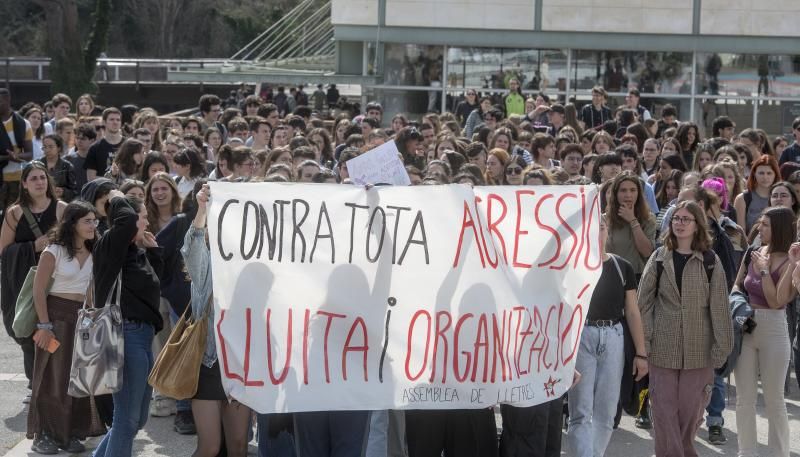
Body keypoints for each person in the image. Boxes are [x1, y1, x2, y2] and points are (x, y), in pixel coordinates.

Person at [637, 200, 733, 457]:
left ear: (697, 225)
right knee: (664, 411)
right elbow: (643, 303)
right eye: (676, 219)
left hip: (699, 349)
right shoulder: (659, 258)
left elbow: (721, 308)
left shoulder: (710, 261)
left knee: (691, 413)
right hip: (662, 346)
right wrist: (644, 344)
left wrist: (721, 348)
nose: (679, 223)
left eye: (685, 219)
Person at [181, 183, 253, 456]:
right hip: (209, 363)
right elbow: (192, 245)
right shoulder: (205, 267)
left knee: (237, 446)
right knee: (210, 446)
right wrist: (201, 208)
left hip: (242, 365)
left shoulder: (254, 267)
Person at [28, 201, 105, 454]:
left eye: (95, 220)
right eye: (88, 221)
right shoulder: (54, 250)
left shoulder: (95, 250)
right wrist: (45, 325)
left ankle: (71, 431)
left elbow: (91, 290)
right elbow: (38, 290)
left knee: (78, 379)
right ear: (73, 223)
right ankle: (45, 434)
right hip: (55, 318)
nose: (93, 225)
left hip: (82, 318)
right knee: (52, 377)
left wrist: (93, 320)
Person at [90, 189, 163, 457]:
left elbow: (157, 288)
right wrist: (118, 197)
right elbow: (127, 221)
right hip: (124, 335)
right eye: (143, 217)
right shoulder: (110, 245)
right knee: (126, 419)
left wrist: (154, 254)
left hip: (143, 336)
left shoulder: (135, 252)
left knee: (137, 418)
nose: (145, 222)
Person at [568, 216, 648, 457]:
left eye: (601, 227)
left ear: (608, 231)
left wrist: (641, 353)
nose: (596, 233)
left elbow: (633, 312)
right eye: (590, 227)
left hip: (613, 335)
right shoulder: (571, 265)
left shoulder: (621, 266)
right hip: (582, 334)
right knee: (580, 409)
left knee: (607, 409)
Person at [0, 162, 67, 401]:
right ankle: (34, 382)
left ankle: (51, 382)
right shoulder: (15, 212)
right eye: (34, 179)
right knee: (27, 331)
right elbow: (4, 250)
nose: (40, 182)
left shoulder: (62, 209)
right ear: (25, 185)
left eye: (42, 177)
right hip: (23, 283)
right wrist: (31, 247)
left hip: (56, 281)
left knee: (53, 330)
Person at [734, 206, 795, 457]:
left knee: (774, 400)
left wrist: (764, 270)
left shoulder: (793, 259)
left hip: (774, 327)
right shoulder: (753, 251)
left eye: (766, 224)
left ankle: (779, 453)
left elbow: (777, 300)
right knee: (744, 398)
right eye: (760, 223)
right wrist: (740, 310)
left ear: (779, 228)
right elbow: (737, 285)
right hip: (748, 324)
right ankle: (746, 452)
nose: (760, 228)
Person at [733, 155, 779, 235]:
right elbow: (740, 232)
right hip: (750, 246)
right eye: (761, 173)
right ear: (754, 173)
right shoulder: (742, 198)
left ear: (775, 175)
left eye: (769, 173)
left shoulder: (780, 198)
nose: (765, 177)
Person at [84, 107, 124, 181]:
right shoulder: (94, 148)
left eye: (118, 120)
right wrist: (111, 178)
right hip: (104, 190)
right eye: (111, 119)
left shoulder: (129, 145)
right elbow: (90, 178)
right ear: (104, 122)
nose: (115, 122)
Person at [41, 134, 78, 202]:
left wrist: (63, 192)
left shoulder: (67, 166)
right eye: (44, 147)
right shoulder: (38, 165)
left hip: (60, 203)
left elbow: (74, 192)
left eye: (51, 147)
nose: (47, 150)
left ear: (58, 148)